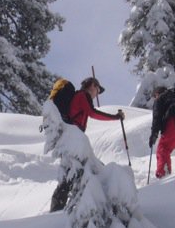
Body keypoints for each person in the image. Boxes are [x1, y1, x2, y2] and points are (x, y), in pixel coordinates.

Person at [50, 77, 125, 212]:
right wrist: (115, 117)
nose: (97, 94)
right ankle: (57, 210)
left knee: (74, 174)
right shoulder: (83, 95)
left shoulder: (78, 96)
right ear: (92, 85)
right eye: (97, 89)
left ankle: (60, 208)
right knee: (85, 172)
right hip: (74, 139)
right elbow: (92, 113)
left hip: (72, 138)